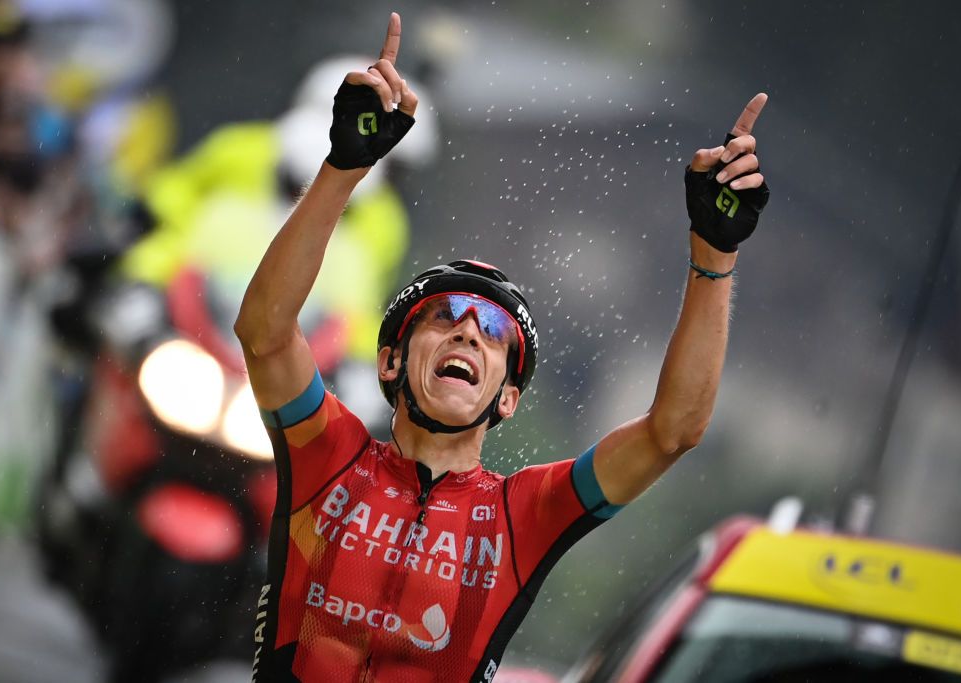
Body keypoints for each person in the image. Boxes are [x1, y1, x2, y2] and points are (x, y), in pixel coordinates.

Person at [234, 12, 769, 682]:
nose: (467, 331)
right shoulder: (331, 455)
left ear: (508, 398)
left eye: (494, 334)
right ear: (390, 362)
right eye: (444, 315)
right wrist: (344, 169)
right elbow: (265, 331)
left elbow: (673, 431)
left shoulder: (522, 514)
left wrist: (713, 255)